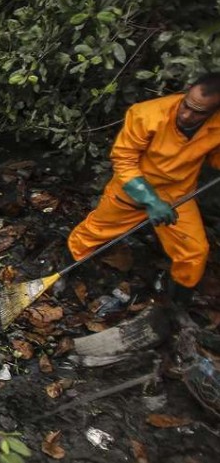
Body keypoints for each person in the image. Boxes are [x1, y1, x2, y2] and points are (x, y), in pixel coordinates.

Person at [68, 72, 220, 304]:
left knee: (194, 252)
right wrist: (150, 200)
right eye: (186, 105)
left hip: (177, 194)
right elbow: (123, 159)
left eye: (198, 112)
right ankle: (65, 273)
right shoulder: (147, 114)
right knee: (92, 234)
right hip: (134, 189)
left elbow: (214, 157)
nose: (187, 115)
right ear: (186, 92)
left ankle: (176, 304)